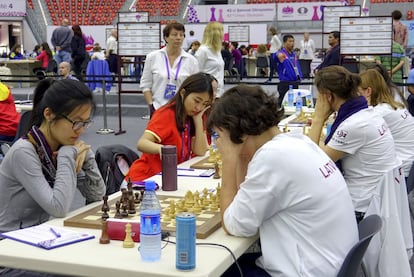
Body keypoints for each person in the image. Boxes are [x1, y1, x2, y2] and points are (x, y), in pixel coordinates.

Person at [208, 85, 358, 276]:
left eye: (220, 136)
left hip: (307, 271)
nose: (219, 143)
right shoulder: (297, 142)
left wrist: (229, 159)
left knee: (213, 271)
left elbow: (234, 225)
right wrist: (241, 156)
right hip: (329, 262)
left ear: (241, 132)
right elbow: (243, 200)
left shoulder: (272, 158)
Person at [308, 66, 399, 222]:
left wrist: (317, 119)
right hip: (378, 198)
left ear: (328, 96)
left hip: (361, 207)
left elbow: (312, 161)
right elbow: (324, 150)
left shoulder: (354, 125)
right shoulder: (366, 114)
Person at [126, 73, 214, 182]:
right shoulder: (166, 114)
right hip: (145, 179)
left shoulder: (194, 116)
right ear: (183, 93)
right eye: (196, 100)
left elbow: (200, 151)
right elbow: (142, 143)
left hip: (171, 178)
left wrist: (198, 122)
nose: (199, 107)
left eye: (204, 104)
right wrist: (162, 149)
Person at [359, 69, 414, 179]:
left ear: (368, 91)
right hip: (408, 164)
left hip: (400, 170)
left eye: (359, 92)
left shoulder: (379, 112)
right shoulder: (394, 105)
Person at [140, 22, 199, 118]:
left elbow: (195, 88)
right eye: (174, 35)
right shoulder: (153, 57)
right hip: (158, 109)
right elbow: (145, 84)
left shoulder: (191, 61)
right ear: (166, 38)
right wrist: (151, 105)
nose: (178, 38)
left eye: (181, 35)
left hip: (182, 111)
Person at [195, 21, 225, 97]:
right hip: (206, 92)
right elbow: (196, 73)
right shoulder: (203, 51)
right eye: (221, 31)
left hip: (219, 92)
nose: (223, 34)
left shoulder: (217, 51)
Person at [274, 34, 302, 107]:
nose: (292, 43)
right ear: (284, 43)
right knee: (282, 102)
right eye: (290, 41)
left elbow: (296, 66)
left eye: (293, 41)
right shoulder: (281, 53)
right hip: (285, 82)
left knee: (294, 103)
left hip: (295, 81)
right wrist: (277, 54)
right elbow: (275, 56)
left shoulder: (294, 54)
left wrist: (300, 76)